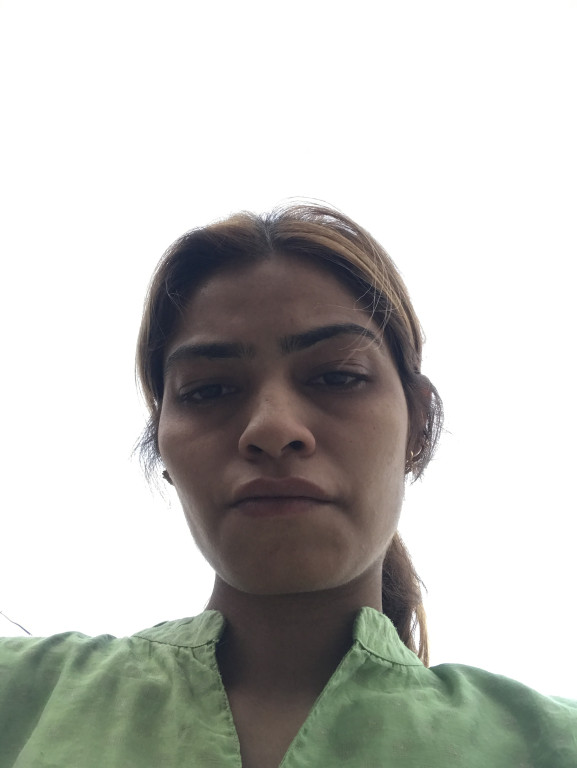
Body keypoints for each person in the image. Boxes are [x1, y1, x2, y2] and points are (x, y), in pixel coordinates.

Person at [0, 203, 575, 767]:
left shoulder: (554, 743)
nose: (272, 428)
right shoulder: (19, 696)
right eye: (207, 390)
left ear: (418, 425)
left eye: (338, 376)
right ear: (163, 449)